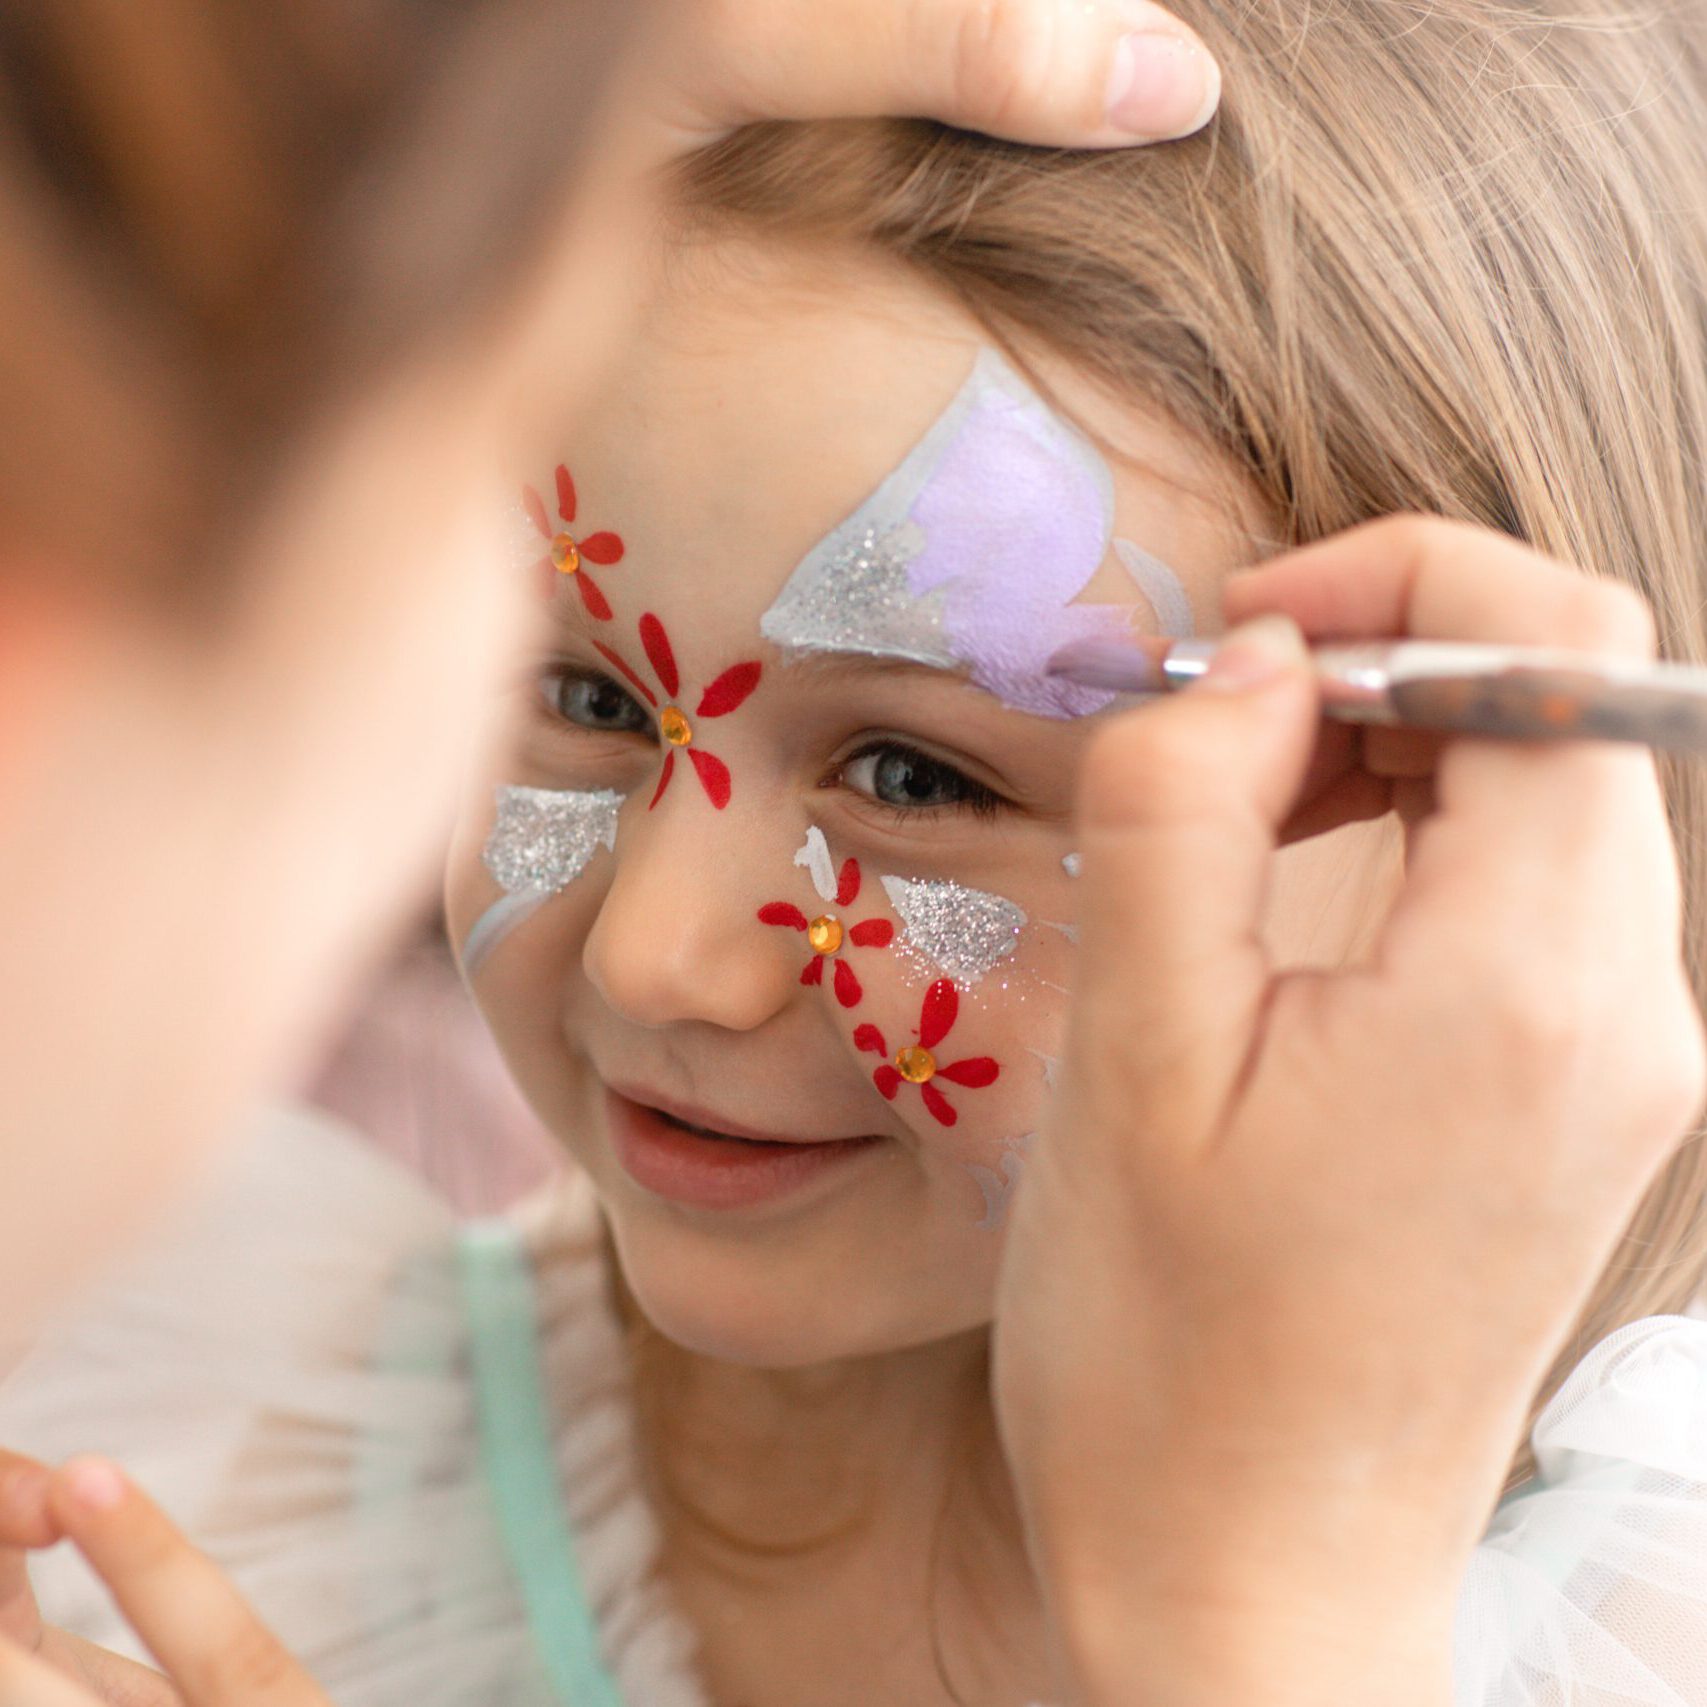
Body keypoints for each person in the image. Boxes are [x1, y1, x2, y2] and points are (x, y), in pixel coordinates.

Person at [4, 1, 1705, 1703]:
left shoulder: (1640, 1617)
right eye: (591, 695)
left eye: (915, 773)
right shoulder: (201, 1434)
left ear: (1486, 830)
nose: (655, 956)